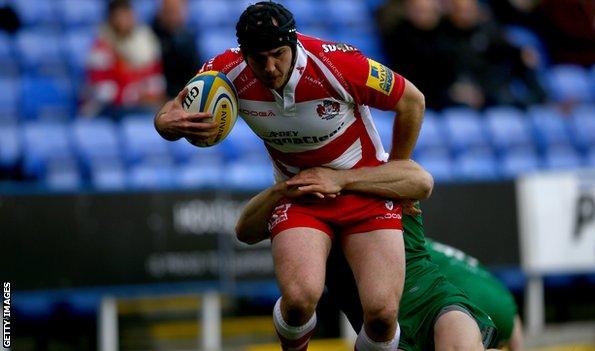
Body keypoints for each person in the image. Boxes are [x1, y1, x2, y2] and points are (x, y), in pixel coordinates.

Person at [154, 3, 426, 350]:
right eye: (258, 58)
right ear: (244, 54)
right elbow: (172, 110)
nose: (269, 67)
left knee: (382, 314)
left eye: (277, 54)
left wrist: (395, 171)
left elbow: (412, 101)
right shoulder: (225, 70)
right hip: (300, 194)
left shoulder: (337, 63)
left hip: (364, 190)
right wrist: (164, 123)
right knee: (299, 299)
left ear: (293, 45)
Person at [235, 160, 500, 350]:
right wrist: (281, 190)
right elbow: (244, 231)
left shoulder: (380, 174)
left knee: (459, 341)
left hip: (431, 299)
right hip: (384, 333)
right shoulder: (307, 201)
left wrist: (343, 179)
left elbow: (422, 181)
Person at [84, 0, 165, 118]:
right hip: (108, 110)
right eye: (120, 16)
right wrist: (135, 95)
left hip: (141, 104)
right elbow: (102, 91)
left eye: (128, 15)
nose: (125, 20)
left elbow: (156, 80)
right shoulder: (101, 48)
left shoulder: (145, 42)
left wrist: (149, 94)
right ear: (111, 19)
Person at [152, 0, 202, 98]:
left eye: (177, 11)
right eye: (169, 11)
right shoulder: (151, 36)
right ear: (161, 12)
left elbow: (196, 74)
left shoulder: (188, 38)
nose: (173, 17)